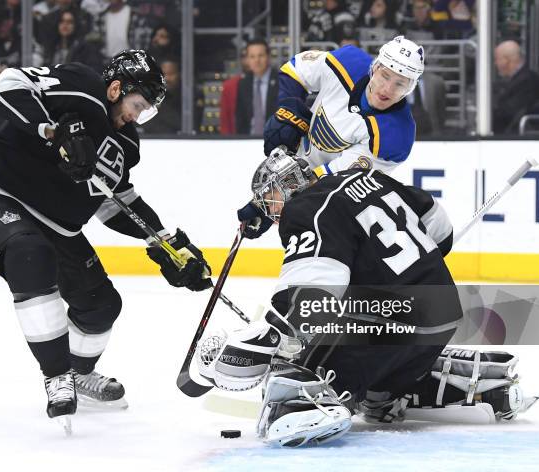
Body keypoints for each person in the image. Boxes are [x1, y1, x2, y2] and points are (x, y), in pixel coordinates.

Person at [198, 150, 534, 447]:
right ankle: (397, 390)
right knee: (374, 396)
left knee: (292, 371)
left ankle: (309, 401)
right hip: (443, 313)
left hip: (389, 324)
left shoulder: (304, 210)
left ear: (285, 187)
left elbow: (311, 298)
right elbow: (440, 229)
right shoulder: (365, 177)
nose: (269, 206)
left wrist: (268, 341)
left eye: (268, 195)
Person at [0, 50, 211, 428]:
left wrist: (166, 241)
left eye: (145, 111)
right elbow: (6, 87)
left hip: (56, 228)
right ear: (117, 88)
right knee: (30, 253)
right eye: (137, 105)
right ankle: (57, 375)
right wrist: (51, 131)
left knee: (101, 304)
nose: (136, 116)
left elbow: (112, 201)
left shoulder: (126, 145)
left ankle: (77, 373)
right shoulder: (80, 85)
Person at [239, 36, 425, 239]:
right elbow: (295, 70)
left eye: (400, 84)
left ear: (410, 88)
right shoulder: (347, 62)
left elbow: (327, 180)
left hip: (339, 205)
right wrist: (289, 109)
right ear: (375, 67)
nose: (387, 89)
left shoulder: (395, 136)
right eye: (385, 76)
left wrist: (267, 204)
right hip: (302, 170)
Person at [493, 40, 539, 134]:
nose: (495, 63)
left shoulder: (527, 80)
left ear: (506, 60)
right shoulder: (519, 79)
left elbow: (512, 112)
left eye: (497, 59)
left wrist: (489, 113)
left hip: (516, 138)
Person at [235, 39, 278, 136]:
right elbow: (240, 118)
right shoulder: (243, 83)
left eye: (261, 56)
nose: (256, 60)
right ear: (247, 60)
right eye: (252, 56)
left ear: (268, 57)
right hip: (248, 142)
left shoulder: (281, 81)